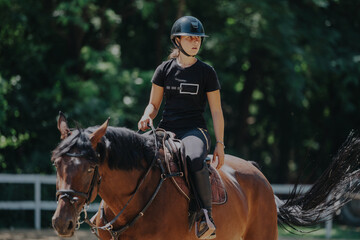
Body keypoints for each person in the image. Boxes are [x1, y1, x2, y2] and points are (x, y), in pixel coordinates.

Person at [138, 16, 225, 239]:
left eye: (198, 38)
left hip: (195, 130)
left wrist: (220, 144)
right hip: (167, 129)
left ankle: (205, 216)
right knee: (137, 155)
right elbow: (154, 104)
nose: (196, 42)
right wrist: (147, 115)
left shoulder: (207, 73)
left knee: (194, 157)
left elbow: (216, 111)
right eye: (190, 38)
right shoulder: (163, 70)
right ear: (177, 41)